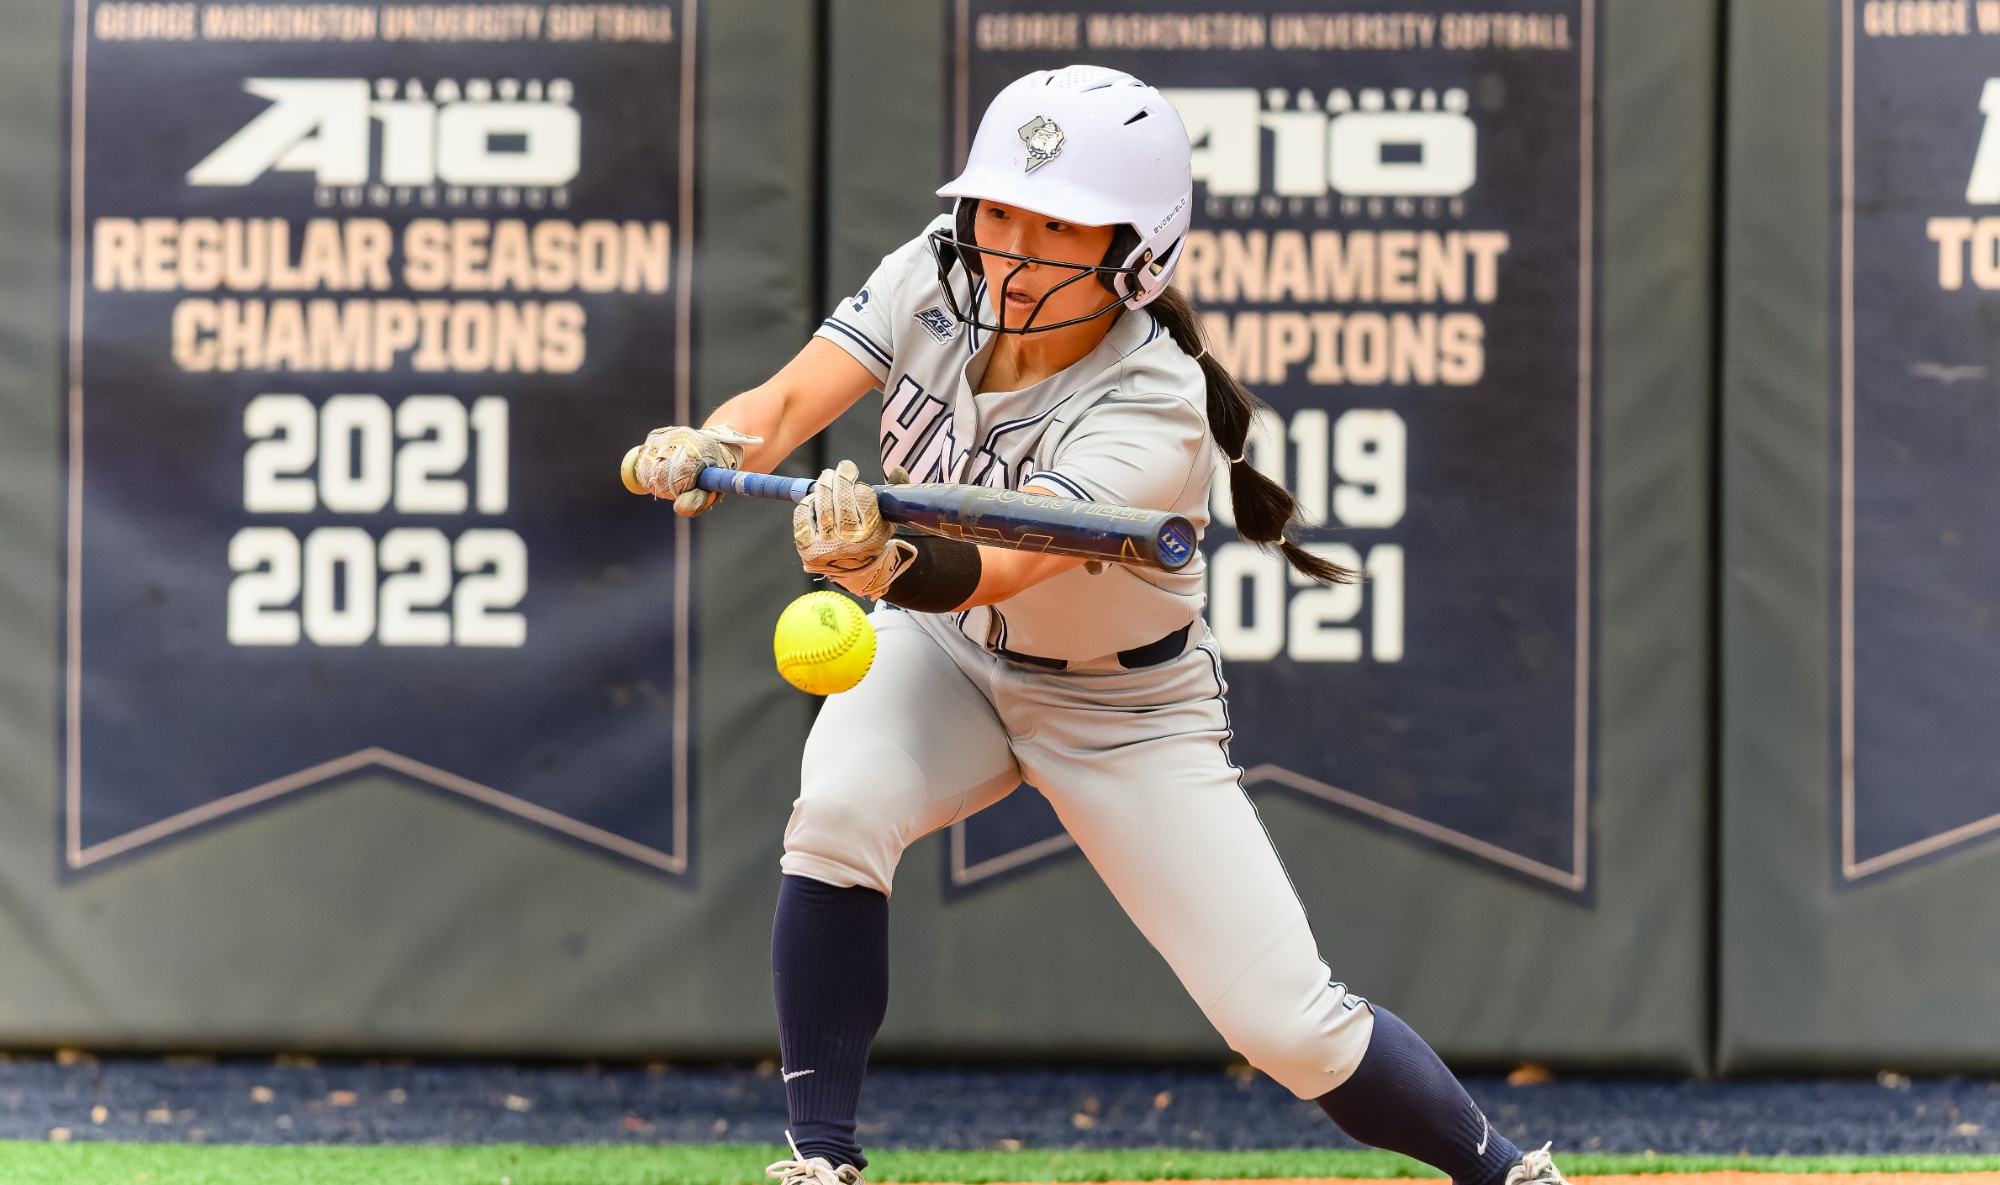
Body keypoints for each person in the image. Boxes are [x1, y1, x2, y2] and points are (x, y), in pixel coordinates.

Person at [629, 65, 1567, 1185]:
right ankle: (819, 1161)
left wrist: (876, 558)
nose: (1013, 248)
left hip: (1123, 703)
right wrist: (715, 445)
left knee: (1286, 1026)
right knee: (836, 810)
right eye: (998, 211)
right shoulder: (929, 275)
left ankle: (1507, 1175)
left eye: (1057, 225)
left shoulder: (1155, 402)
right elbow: (782, 406)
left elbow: (1000, 565)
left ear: (1137, 252)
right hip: (945, 659)